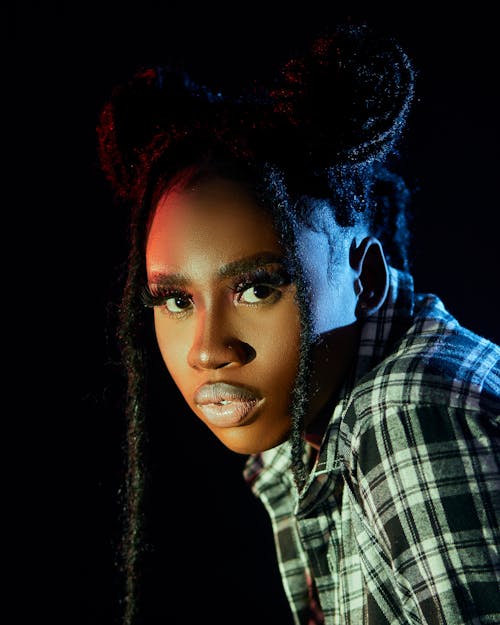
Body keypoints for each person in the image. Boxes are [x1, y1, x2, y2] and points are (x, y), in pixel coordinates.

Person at [96, 23, 500, 625]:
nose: (209, 350)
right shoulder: (304, 440)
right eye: (176, 300)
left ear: (365, 279)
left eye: (257, 288)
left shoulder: (410, 414)